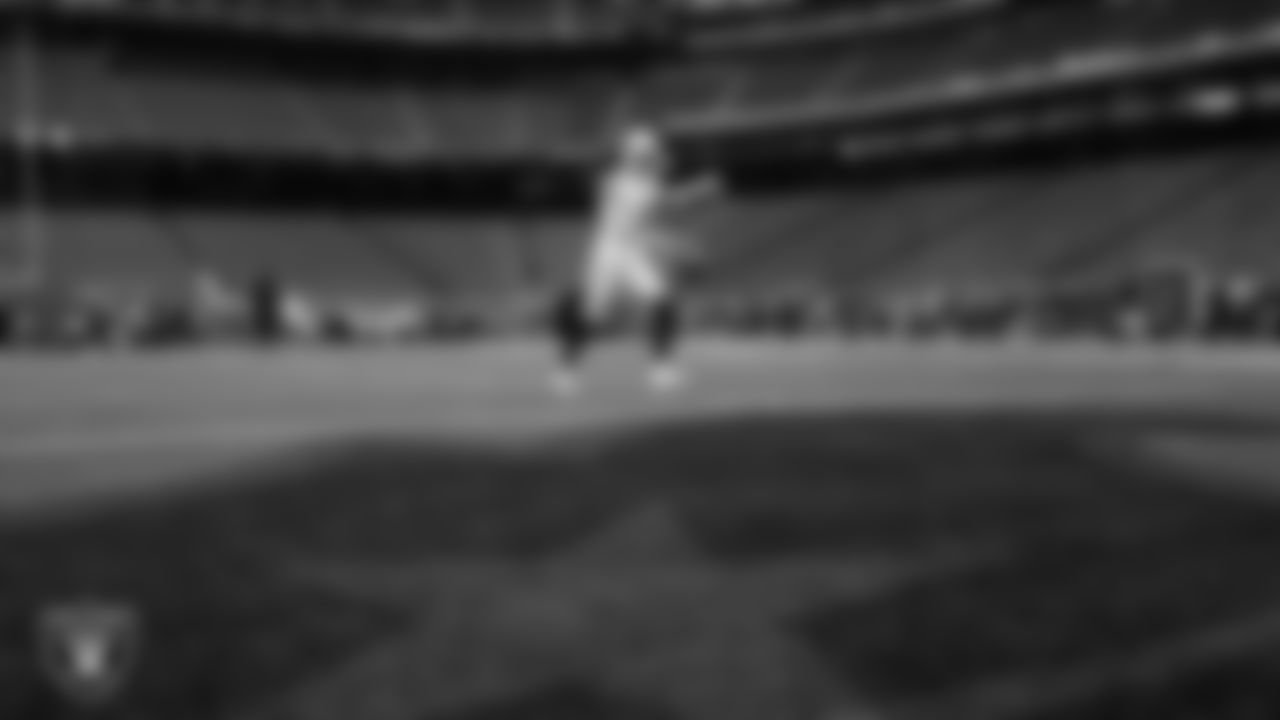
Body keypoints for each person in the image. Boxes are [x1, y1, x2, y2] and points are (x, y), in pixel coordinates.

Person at [552, 123, 721, 395]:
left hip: (629, 251)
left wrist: (692, 185)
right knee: (592, 316)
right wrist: (703, 188)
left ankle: (661, 370)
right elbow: (670, 200)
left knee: (662, 300)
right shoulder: (627, 183)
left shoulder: (632, 179)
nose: (656, 159)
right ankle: (566, 370)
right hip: (608, 252)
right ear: (637, 157)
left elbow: (659, 193)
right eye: (650, 155)